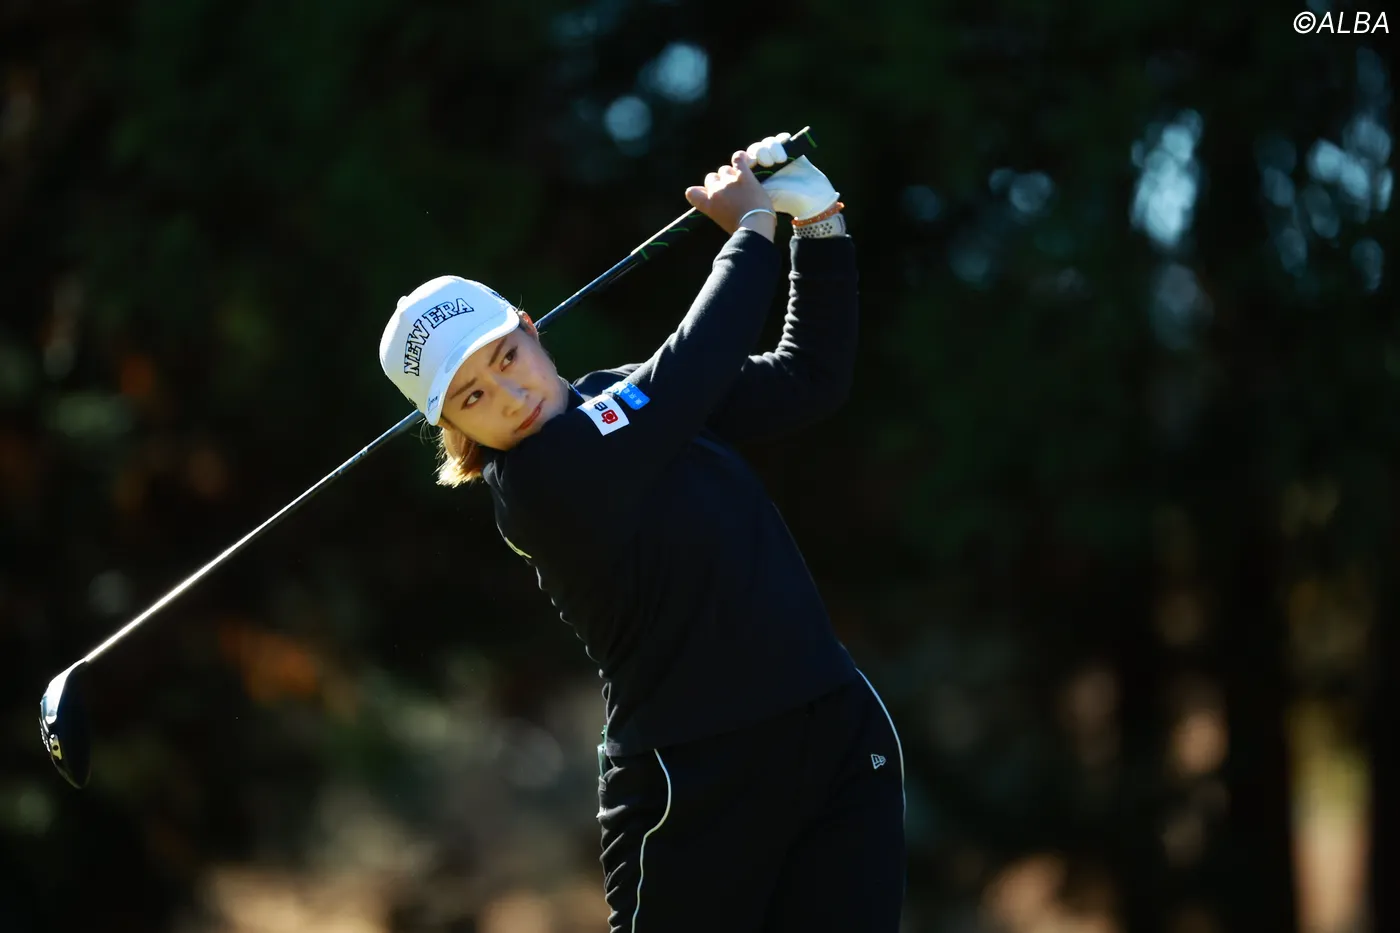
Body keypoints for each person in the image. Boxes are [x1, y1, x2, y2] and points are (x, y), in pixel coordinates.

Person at [378, 134, 905, 932]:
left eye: (506, 356)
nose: (509, 394)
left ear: (531, 327)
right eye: (473, 395)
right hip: (691, 781)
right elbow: (687, 372)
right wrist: (751, 230)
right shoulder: (534, 484)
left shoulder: (628, 394)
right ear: (451, 425)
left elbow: (808, 380)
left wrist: (818, 223)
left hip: (830, 727)